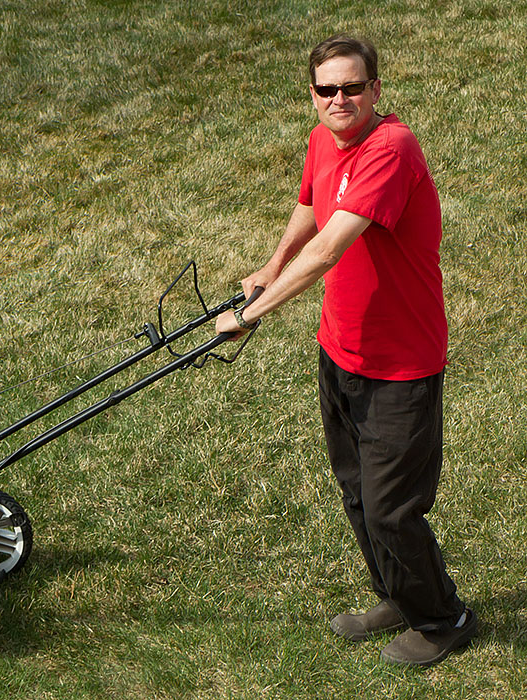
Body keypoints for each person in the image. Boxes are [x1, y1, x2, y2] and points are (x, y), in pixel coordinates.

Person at [215, 34, 476, 667]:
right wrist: (268, 266)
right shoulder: (324, 141)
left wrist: (252, 313)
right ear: (313, 96)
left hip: (400, 365)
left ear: (375, 90)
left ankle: (443, 619)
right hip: (341, 349)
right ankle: (397, 596)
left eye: (353, 87)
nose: (340, 99)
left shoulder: (391, 148)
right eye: (327, 89)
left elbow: (330, 248)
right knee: (356, 491)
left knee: (392, 509)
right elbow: (310, 207)